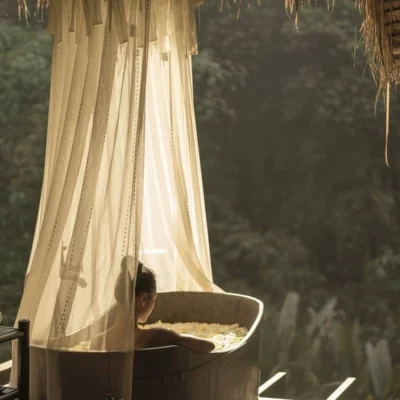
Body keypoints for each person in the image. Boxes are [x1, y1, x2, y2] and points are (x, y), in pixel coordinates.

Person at [92, 257, 215, 353]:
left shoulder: (97, 341)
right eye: (154, 299)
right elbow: (209, 346)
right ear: (144, 299)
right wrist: (178, 337)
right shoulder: (157, 336)